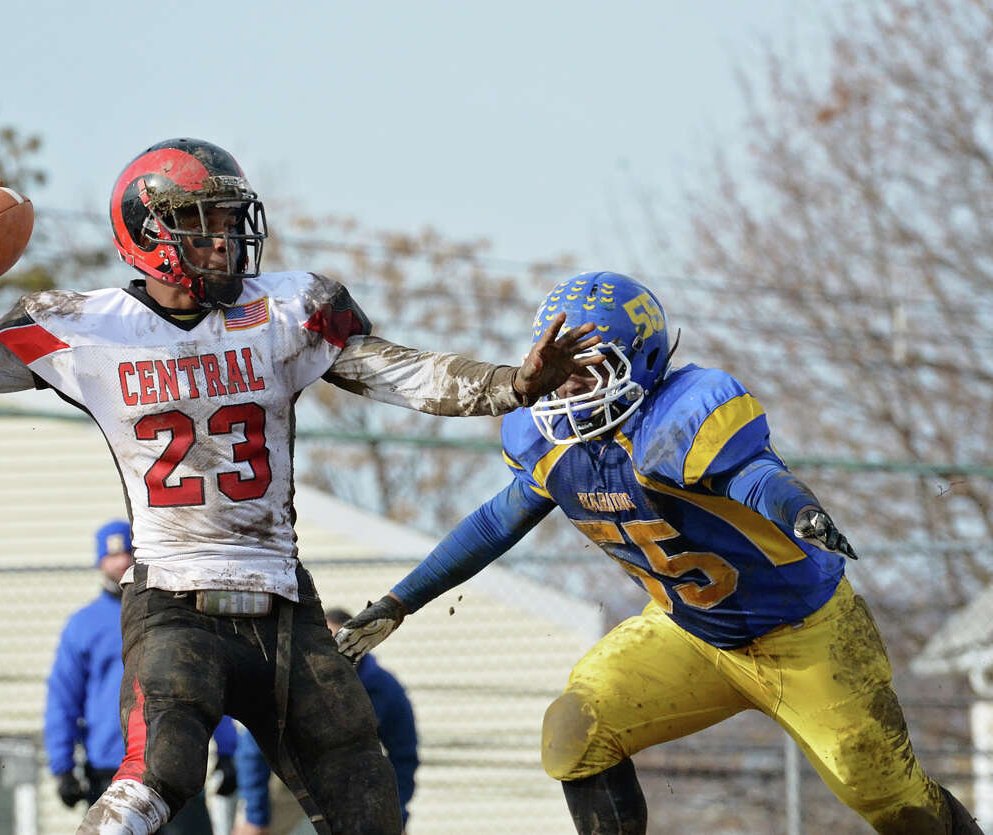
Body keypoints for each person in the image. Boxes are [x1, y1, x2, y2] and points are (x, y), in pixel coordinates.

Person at [0, 137, 602, 835]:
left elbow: (401, 372)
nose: (225, 237)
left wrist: (510, 384)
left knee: (367, 801)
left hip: (282, 603)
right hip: (174, 600)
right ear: (149, 233)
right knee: (157, 775)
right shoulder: (87, 326)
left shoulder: (287, 310)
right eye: (201, 220)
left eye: (232, 217)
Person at [336, 272, 984, 835]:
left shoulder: (683, 412)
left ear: (640, 362)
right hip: (691, 634)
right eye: (559, 367)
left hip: (808, 638)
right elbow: (494, 522)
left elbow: (753, 477)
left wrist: (801, 509)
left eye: (588, 367)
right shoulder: (548, 440)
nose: (568, 386)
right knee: (576, 730)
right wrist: (400, 601)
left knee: (897, 806)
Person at [45, 519, 237, 835]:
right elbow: (63, 698)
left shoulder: (175, 613)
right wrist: (62, 766)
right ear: (99, 562)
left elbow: (205, 680)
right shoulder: (83, 625)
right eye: (112, 556)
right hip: (110, 769)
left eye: (127, 554)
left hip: (175, 760)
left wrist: (227, 750)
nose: (121, 562)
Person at [233, 607, 417, 835]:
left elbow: (404, 755)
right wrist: (256, 816)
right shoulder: (287, 680)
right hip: (289, 777)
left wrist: (396, 812)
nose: (334, 653)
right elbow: (252, 751)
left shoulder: (383, 689)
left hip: (353, 779)